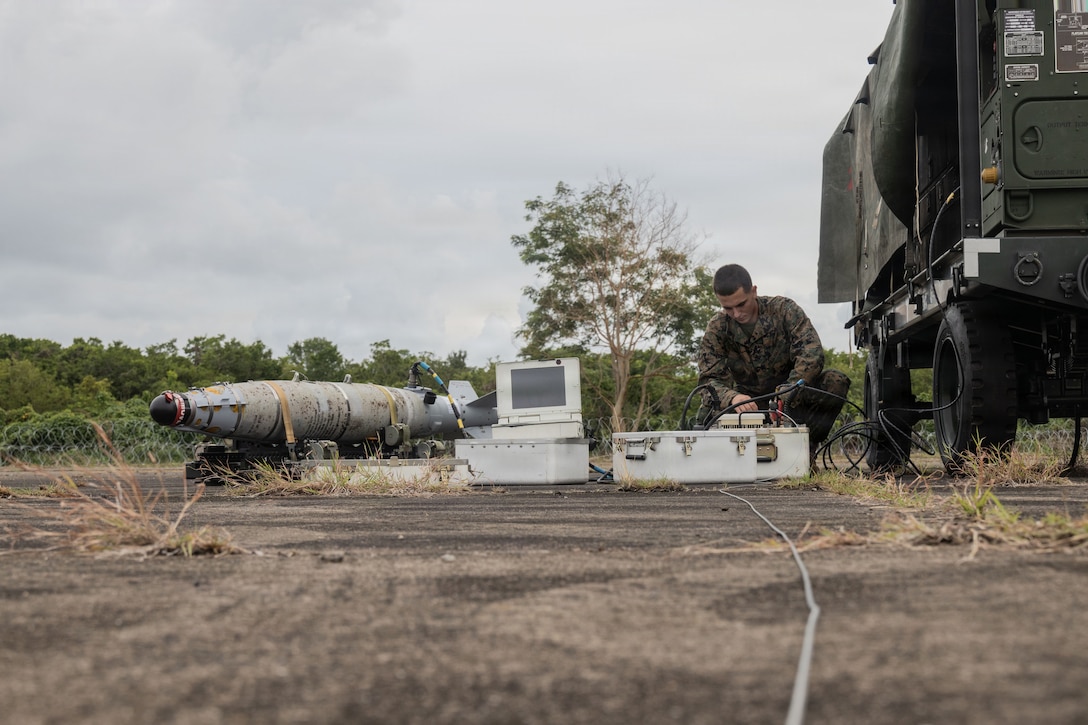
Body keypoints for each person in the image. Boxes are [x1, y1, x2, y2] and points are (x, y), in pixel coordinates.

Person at [696, 263, 850, 459]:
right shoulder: (718, 327)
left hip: (791, 399)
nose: (736, 313)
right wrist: (732, 398)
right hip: (747, 405)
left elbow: (812, 354)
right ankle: (716, 459)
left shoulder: (784, 310)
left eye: (741, 304)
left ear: (753, 291)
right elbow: (708, 381)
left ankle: (805, 451)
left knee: (835, 382)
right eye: (728, 308)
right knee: (706, 409)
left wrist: (788, 391)